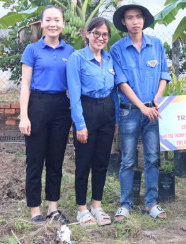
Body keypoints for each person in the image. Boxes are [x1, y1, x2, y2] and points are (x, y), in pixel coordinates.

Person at [110, 2, 171, 221]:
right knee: (127, 159)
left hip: (153, 111)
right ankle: (125, 204)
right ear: (124, 22)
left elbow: (164, 74)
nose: (135, 21)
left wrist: (157, 97)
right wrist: (141, 107)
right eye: (130, 18)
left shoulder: (156, 45)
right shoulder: (117, 49)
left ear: (144, 20)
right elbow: (121, 82)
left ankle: (151, 203)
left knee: (153, 158)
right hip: (129, 113)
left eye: (138, 17)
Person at [19, 5, 74, 224]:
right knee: (35, 160)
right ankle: (35, 210)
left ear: (63, 24)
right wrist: (24, 116)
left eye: (57, 20)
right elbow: (25, 84)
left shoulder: (70, 52)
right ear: (42, 24)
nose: (53, 24)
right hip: (38, 105)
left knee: (56, 160)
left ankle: (53, 208)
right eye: (48, 20)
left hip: (62, 107)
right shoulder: (32, 50)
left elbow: (75, 83)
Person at [67, 17, 118, 226]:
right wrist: (80, 125)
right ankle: (81, 209)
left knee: (101, 162)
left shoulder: (109, 59)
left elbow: (114, 91)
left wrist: (114, 121)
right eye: (96, 33)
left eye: (105, 34)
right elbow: (74, 93)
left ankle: (97, 206)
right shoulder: (76, 58)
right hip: (87, 110)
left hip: (107, 111)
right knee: (84, 162)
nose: (100, 37)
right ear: (87, 34)